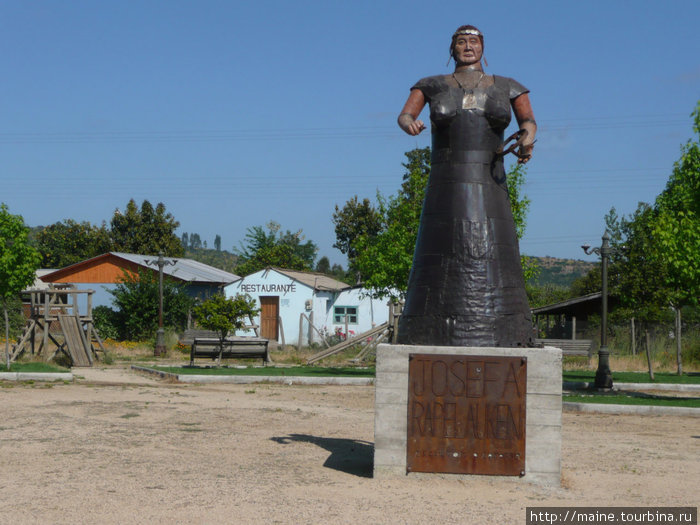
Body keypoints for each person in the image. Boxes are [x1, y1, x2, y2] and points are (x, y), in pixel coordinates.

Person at [396, 25, 536, 347]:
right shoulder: (430, 85)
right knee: (437, 257)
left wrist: (528, 138)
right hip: (444, 187)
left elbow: (527, 121)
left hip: (491, 183)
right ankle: (427, 331)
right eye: (461, 42)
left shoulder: (509, 86)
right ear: (452, 49)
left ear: (483, 47)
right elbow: (405, 115)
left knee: (497, 258)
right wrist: (410, 124)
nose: (468, 46)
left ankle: (509, 333)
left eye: (473, 41)